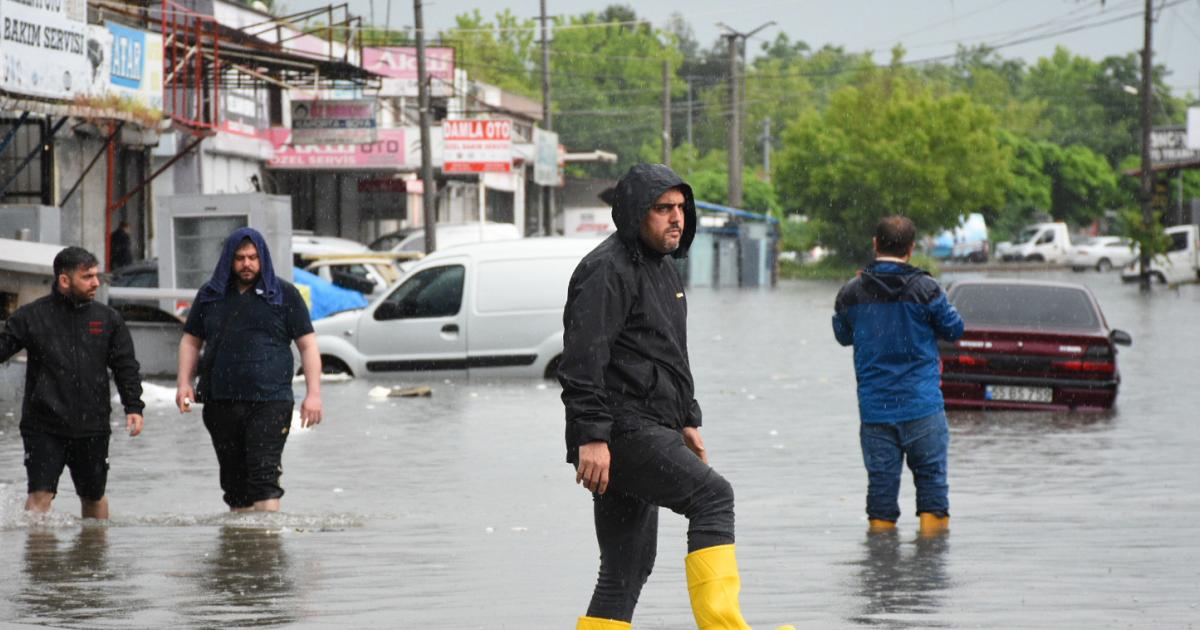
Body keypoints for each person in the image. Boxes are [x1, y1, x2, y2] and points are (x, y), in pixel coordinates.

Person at [559, 164, 793, 630]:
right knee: (713, 497)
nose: (676, 219)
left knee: (626, 568)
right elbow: (582, 361)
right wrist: (591, 438)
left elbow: (668, 353)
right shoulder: (605, 270)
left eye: (681, 208)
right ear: (633, 214)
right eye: (663, 209)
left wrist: (688, 417)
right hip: (621, 431)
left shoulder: (664, 270)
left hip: (651, 426)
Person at [832, 216, 964, 535]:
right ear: (911, 248)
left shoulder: (851, 292)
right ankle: (929, 573)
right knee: (933, 490)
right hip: (923, 408)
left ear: (875, 244)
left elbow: (842, 335)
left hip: (876, 410)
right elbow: (954, 329)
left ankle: (881, 572)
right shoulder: (927, 289)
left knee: (880, 493)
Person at [175, 228, 323, 512]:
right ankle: (241, 550)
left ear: (263, 259)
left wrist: (313, 394)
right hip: (220, 400)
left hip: (271, 400)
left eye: (253, 257)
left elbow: (308, 345)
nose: (247, 264)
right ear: (229, 260)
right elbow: (191, 341)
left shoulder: (283, 294)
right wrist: (184, 382)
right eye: (240, 257)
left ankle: (265, 549)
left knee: (264, 476)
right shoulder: (211, 295)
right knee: (234, 485)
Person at [0, 246, 144, 520]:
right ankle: (39, 560)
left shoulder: (107, 319)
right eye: (87, 276)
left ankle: (94, 557)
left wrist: (133, 406)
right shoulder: (31, 316)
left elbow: (126, 366)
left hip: (93, 425)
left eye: (96, 275)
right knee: (40, 495)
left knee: (93, 497)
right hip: (43, 426)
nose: (96, 282)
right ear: (64, 281)